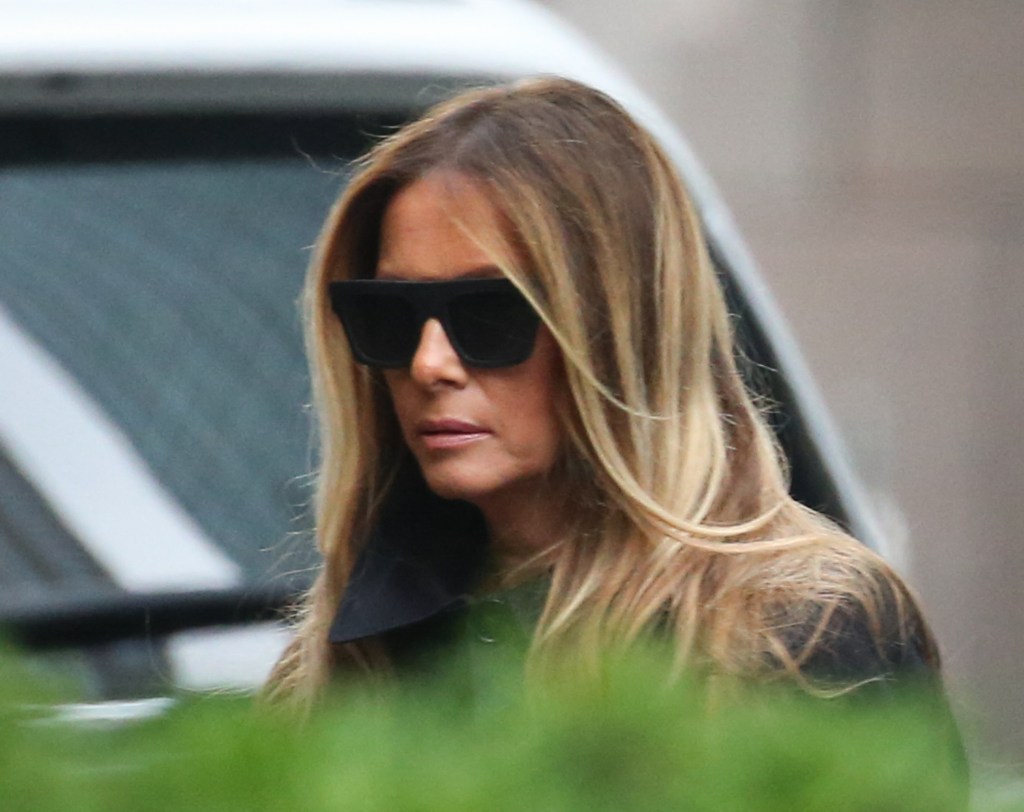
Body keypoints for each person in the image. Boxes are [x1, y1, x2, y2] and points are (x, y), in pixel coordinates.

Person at [265, 77, 948, 714]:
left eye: (490, 314)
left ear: (621, 330)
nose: (429, 363)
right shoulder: (341, 662)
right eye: (388, 316)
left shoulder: (799, 635)